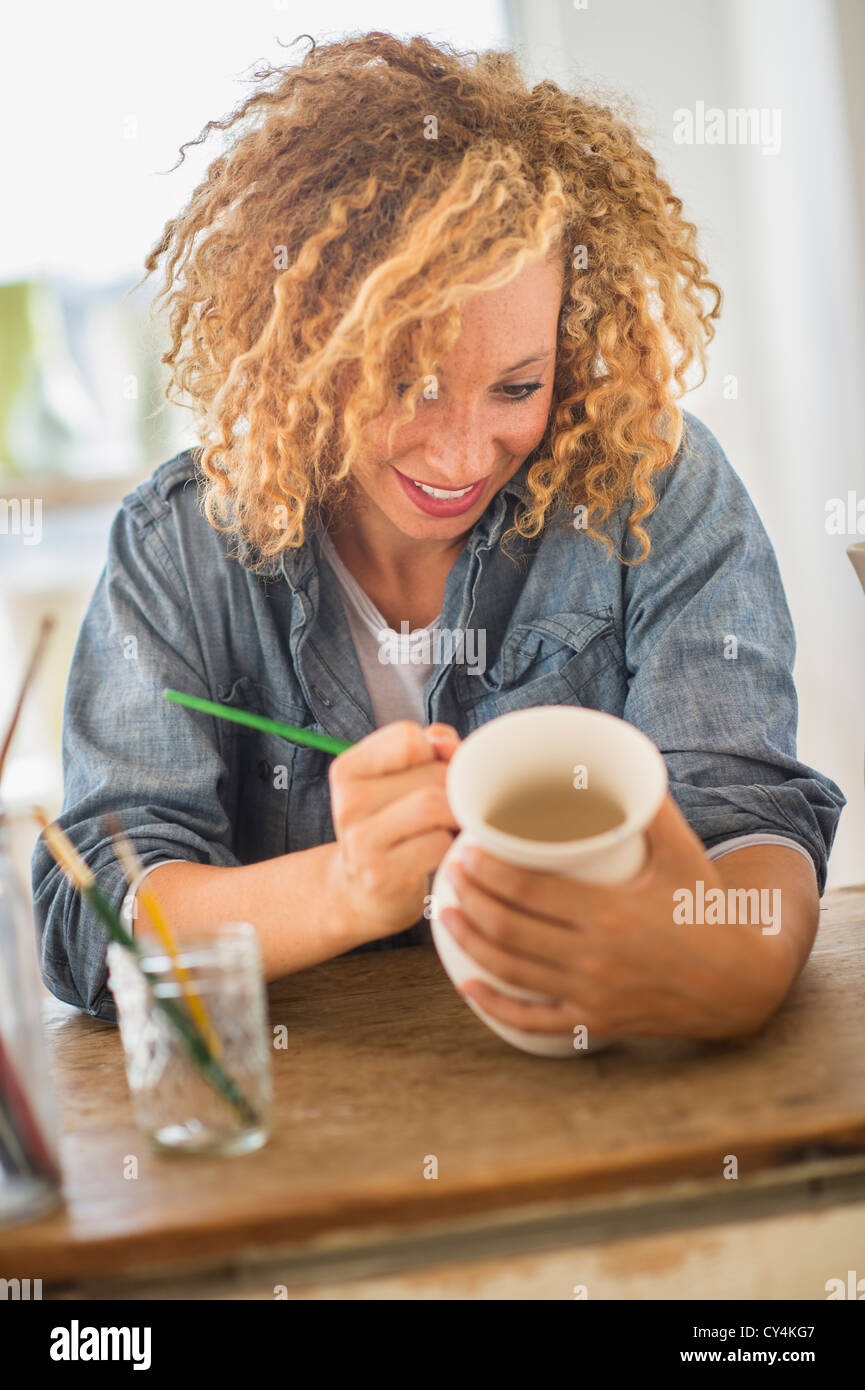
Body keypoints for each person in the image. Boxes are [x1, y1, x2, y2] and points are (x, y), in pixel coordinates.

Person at [32, 32, 845, 1040]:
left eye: (517, 386)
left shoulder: (651, 485)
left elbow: (747, 824)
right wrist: (345, 886)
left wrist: (729, 965)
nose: (462, 455)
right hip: (301, 1135)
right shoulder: (179, 549)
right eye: (406, 388)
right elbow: (92, 914)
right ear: (306, 353)